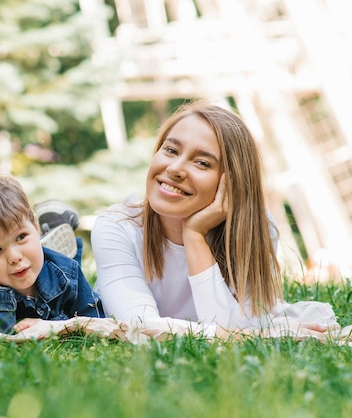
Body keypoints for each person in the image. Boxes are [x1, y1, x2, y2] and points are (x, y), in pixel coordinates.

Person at [91, 100, 336, 339]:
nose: (175, 168)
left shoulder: (256, 230)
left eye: (202, 163)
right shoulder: (116, 227)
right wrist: (256, 335)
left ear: (232, 182)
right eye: (171, 150)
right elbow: (139, 328)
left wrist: (195, 236)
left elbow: (237, 329)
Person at [0, 174, 104, 334]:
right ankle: (51, 229)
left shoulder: (67, 272)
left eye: (21, 237)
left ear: (35, 225)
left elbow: (96, 320)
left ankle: (51, 231)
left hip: (51, 263)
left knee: (58, 261)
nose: (14, 257)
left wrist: (50, 326)